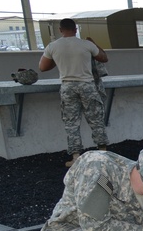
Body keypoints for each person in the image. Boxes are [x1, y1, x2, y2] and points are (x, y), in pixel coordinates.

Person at [39, 18, 109, 167]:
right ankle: (103, 153)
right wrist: (95, 44)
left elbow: (43, 67)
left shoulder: (53, 46)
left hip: (68, 87)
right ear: (75, 29)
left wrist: (58, 59)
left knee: (71, 123)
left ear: (60, 30)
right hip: (87, 86)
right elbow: (103, 58)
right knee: (96, 119)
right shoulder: (86, 44)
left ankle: (76, 157)